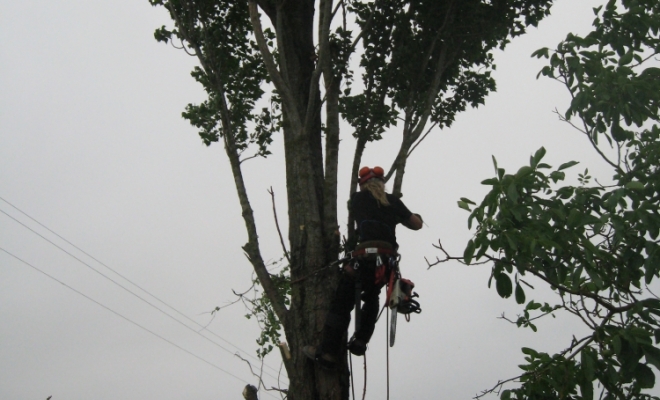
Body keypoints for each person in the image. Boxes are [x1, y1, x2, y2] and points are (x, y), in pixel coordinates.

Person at [303, 166, 423, 368]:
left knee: (342, 302)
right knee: (372, 295)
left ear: (363, 184)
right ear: (382, 183)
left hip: (364, 258)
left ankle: (329, 353)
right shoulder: (393, 201)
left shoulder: (356, 200)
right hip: (385, 263)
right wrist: (405, 214)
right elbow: (417, 224)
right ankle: (360, 341)